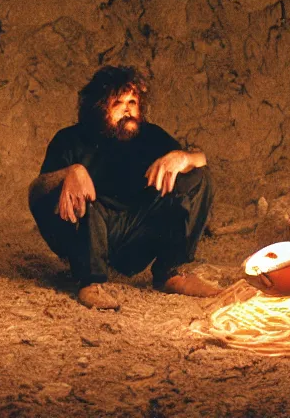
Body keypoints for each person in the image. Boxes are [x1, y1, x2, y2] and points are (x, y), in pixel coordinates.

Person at [28, 66, 221, 310]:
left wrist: (183, 158)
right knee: (80, 192)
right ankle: (90, 282)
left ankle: (169, 274)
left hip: (136, 234)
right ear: (98, 107)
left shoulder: (151, 136)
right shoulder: (69, 139)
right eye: (118, 103)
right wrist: (70, 172)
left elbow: (201, 159)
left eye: (133, 101)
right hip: (87, 235)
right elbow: (36, 191)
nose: (128, 109)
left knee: (198, 177)